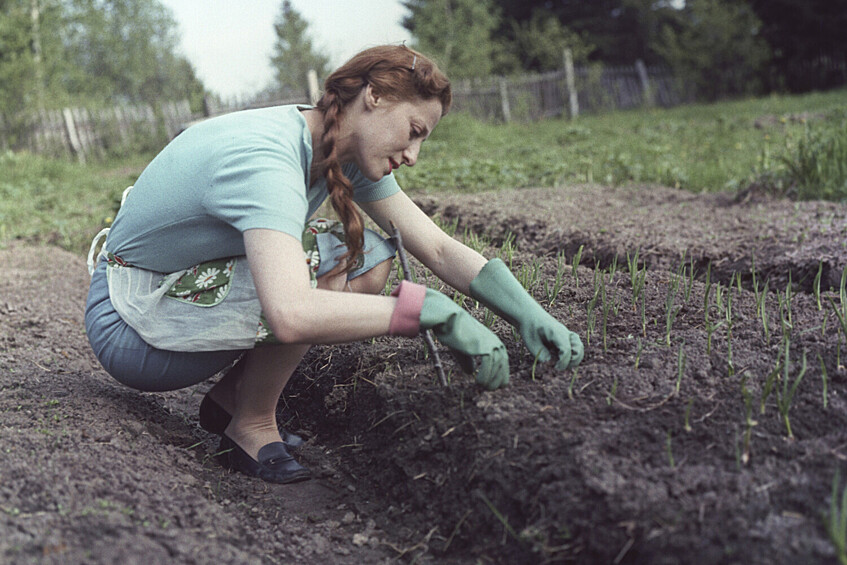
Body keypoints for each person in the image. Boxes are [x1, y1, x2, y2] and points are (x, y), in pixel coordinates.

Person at [84, 44, 584, 485]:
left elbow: (435, 247)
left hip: (178, 291)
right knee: (316, 263)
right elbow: (290, 312)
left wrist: (525, 311)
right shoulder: (266, 159)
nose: (413, 154)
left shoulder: (338, 147)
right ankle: (251, 425)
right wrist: (430, 310)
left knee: (364, 254)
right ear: (374, 96)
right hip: (132, 325)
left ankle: (234, 399)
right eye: (413, 132)